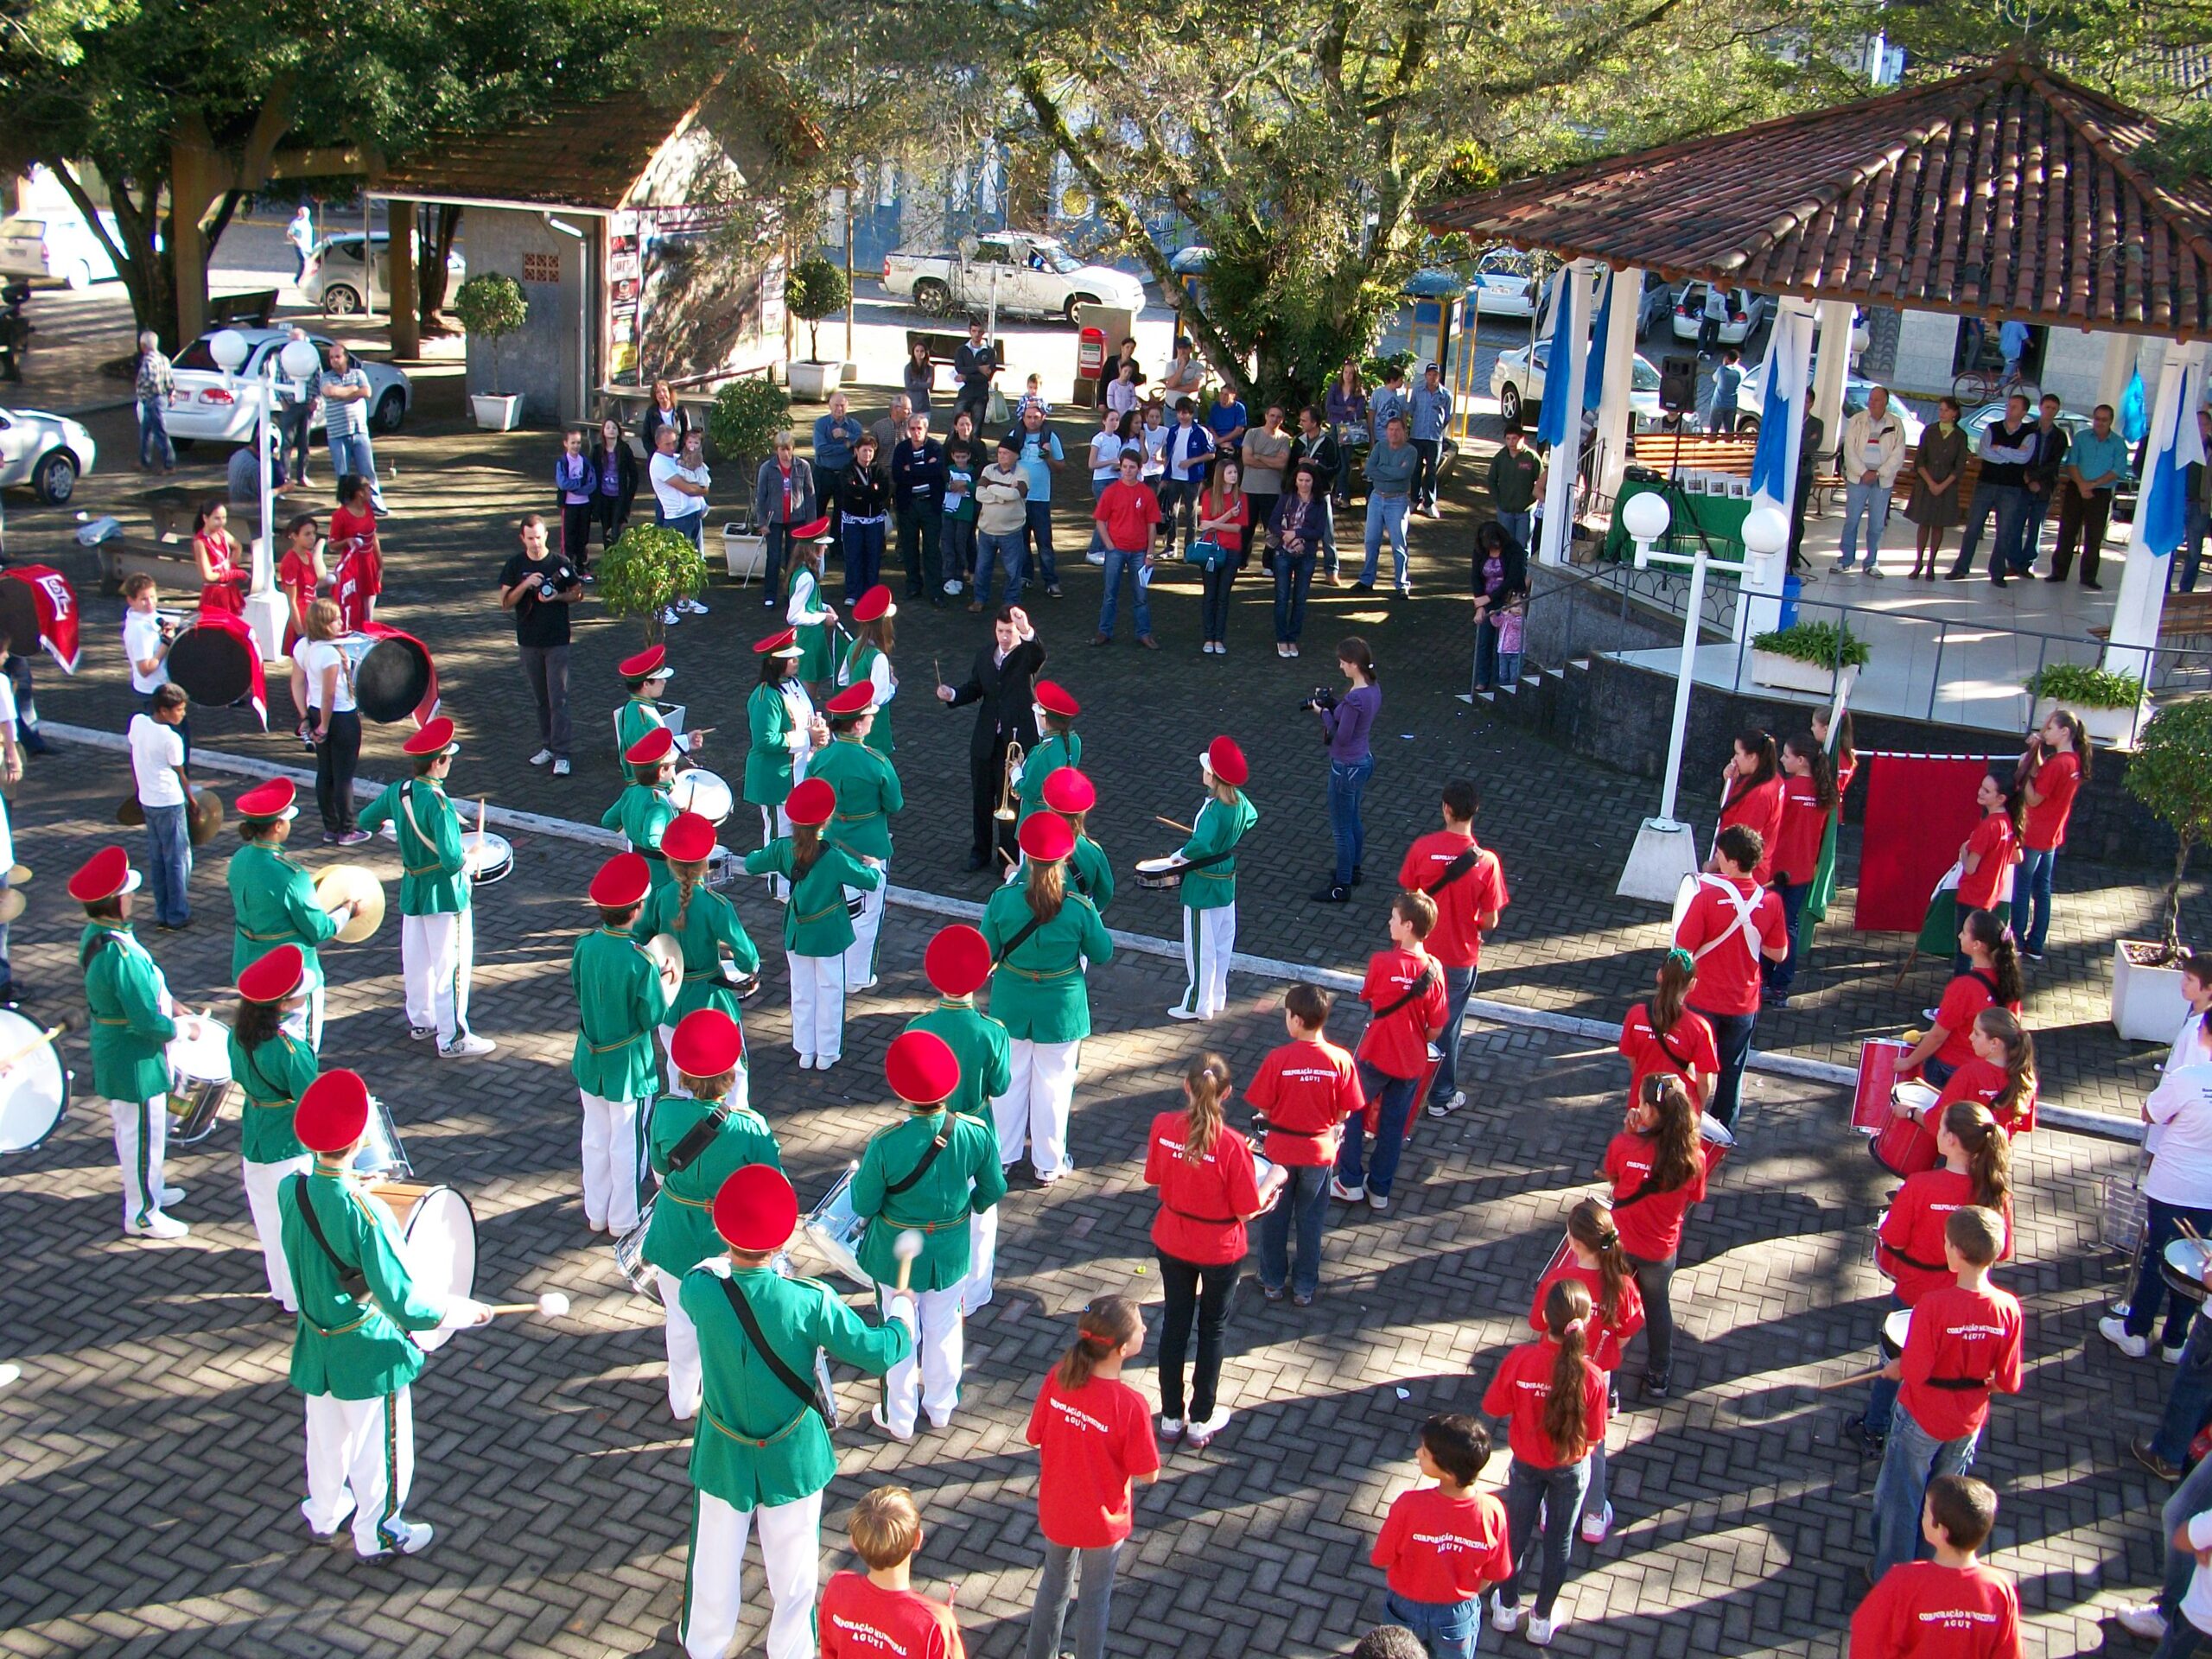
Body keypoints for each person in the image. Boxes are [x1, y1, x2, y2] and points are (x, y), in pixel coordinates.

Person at [678, 1165, 914, 1659]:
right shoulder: (811, 1301)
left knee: (713, 1560)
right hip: (791, 1454)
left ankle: (704, 1644)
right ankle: (790, 1650)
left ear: (724, 1233)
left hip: (724, 1452)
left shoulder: (698, 1289)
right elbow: (879, 1352)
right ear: (782, 1240)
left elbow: (713, 1271)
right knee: (794, 1567)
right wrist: (902, 1312)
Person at [283, 1070, 491, 1561]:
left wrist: (350, 1181)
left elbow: (324, 1198)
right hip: (367, 1349)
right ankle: (381, 1531)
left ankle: (325, 1511)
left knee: (326, 1436)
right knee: (382, 1447)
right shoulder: (368, 1215)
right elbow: (407, 1305)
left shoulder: (290, 1191)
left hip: (318, 1338)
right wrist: (461, 1311)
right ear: (360, 1141)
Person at [854, 1030, 1006, 1441]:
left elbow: (864, 1203)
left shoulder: (886, 1142)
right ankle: (940, 1406)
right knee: (945, 1329)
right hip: (950, 1250)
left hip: (896, 1254)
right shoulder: (974, 1133)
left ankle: (899, 1416)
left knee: (898, 1330)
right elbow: (994, 1189)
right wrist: (965, 1211)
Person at [1847, 1101, 2013, 1454]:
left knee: (1897, 1361)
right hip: (1964, 1296)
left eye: (1940, 1129)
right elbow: (2003, 1248)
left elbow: (1892, 1237)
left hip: (1913, 1293)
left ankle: (1876, 1427)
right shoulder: (1996, 1192)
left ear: (1951, 1140)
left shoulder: (1920, 1185)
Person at [1867, 1205, 2024, 1581]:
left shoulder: (1934, 1306)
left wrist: (1897, 1368)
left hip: (1921, 1416)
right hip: (1967, 1422)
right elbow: (2009, 1382)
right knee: (1942, 1502)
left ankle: (1893, 1577)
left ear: (1954, 1252)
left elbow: (1917, 1372)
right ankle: (1927, 1568)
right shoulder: (2008, 1309)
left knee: (1901, 1499)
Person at [643, 1009, 779, 1420]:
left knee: (680, 1322)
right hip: (730, 1240)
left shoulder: (665, 1112)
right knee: (732, 1324)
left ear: (683, 1073)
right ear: (730, 1076)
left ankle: (682, 1401)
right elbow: (773, 1185)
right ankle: (728, 1400)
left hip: (674, 1233)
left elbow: (661, 1168)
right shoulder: (751, 1127)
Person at [1022, 1295, 1160, 1659]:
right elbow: (1149, 1473)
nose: (1145, 1328)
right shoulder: (1130, 1406)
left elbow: (1033, 1435)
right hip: (1103, 1522)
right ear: (1119, 1348)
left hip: (1057, 1508)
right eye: (1139, 1326)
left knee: (1053, 1585)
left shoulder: (1058, 1376)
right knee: (1095, 1599)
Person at [983, 813, 1114, 1185]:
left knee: (1008, 1083)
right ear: (1063, 859)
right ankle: (1048, 1163)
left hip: (1011, 1001)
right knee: (1054, 1087)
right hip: (1061, 1008)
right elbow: (1102, 952)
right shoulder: (1077, 906)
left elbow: (987, 950)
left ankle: (1004, 1156)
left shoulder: (1003, 900)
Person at [1144, 1051, 1264, 1448]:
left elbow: (1154, 1176)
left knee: (1175, 1324)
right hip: (1220, 1249)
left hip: (1173, 1239)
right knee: (1212, 1329)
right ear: (1227, 1093)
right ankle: (1201, 1419)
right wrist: (1274, 1178)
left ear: (1186, 1087)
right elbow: (1247, 1210)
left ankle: (1170, 1416)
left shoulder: (1162, 1124)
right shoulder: (1233, 1146)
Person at [357, 717, 493, 1057]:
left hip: (413, 887)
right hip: (445, 892)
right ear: (437, 762)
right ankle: (453, 1037)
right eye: (448, 758)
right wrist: (473, 856)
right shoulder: (439, 803)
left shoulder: (398, 791)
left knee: (416, 960)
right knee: (452, 966)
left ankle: (421, 1020)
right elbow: (451, 859)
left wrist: (400, 833)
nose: (450, 763)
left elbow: (365, 821)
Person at [1483, 1278, 1608, 1646]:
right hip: (1569, 1468)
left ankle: (1505, 1607)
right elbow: (1596, 1436)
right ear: (1585, 1323)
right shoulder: (1593, 1378)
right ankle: (1542, 1617)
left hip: (1525, 1464)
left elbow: (1493, 1406)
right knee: (1559, 1540)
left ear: (1543, 1317)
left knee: (1516, 1534)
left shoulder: (1521, 1360)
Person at [72, 846, 186, 1238]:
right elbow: (144, 1019)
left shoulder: (101, 937)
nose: (133, 897)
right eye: (127, 892)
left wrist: (173, 1005)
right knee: (140, 1135)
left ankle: (150, 1190)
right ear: (115, 902)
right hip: (134, 1058)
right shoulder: (119, 954)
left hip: (122, 1051)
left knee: (143, 1132)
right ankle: (142, 1214)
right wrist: (181, 1029)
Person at [906, 925, 1014, 1313]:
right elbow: (1000, 1086)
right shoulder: (992, 1031)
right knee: (981, 1218)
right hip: (976, 1129)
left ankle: (931, 1284)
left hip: (926, 1131)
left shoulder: (917, 1028)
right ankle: (975, 1293)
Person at [744, 779, 882, 1069]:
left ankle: (805, 1049)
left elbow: (752, 863)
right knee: (830, 989)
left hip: (797, 929)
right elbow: (870, 881)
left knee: (802, 989)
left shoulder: (783, 849)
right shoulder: (834, 857)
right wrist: (875, 866)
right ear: (826, 821)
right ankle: (828, 1052)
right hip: (829, 933)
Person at [1530, 1198, 1643, 1545]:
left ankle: (1552, 1509)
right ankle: (1594, 1514)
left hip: (1554, 1372)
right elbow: (1626, 1332)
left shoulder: (1559, 1280)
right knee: (1594, 1443)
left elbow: (1538, 1321)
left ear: (1574, 1243)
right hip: (1598, 1375)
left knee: (1554, 1437)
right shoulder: (1622, 1285)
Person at [569, 852, 671, 1235]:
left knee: (594, 1137)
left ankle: (596, 1212)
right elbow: (652, 1017)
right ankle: (624, 1219)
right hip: (628, 1063)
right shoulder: (640, 961)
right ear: (637, 910)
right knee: (627, 1142)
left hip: (590, 1057)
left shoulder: (585, 945)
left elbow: (578, 987)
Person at [2105, 1014, 2212, 1363]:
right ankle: (2175, 1339)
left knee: (2157, 1256)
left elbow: (2150, 1112)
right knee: (2196, 1262)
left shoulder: (2187, 1079)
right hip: (2208, 1190)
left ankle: (2136, 1332)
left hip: (2172, 1182)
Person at [1333, 891, 1449, 1211]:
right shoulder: (1436, 971)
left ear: (1408, 925)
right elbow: (1437, 1026)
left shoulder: (1381, 963)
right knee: (1394, 1125)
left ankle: (1350, 1180)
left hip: (1376, 1054)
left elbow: (1369, 998)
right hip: (1411, 1061)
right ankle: (1380, 1189)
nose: (1389, 922)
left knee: (1353, 1110)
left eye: (1394, 918)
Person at [1670, 824, 1789, 1133]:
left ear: (1734, 862)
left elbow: (1683, 950)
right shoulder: (1772, 902)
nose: (1717, 861)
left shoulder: (1706, 898)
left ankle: (1679, 1125)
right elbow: (1779, 954)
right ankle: (1722, 1135)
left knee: (1686, 1067)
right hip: (1743, 1003)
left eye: (1721, 856)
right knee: (1732, 1072)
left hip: (1701, 1000)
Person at [1249, 984, 1363, 1306]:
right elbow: (1346, 1110)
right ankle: (1304, 1287)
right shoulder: (1341, 1060)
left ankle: (1271, 1280)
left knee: (1274, 1218)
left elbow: (1265, 1110)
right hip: (1318, 1153)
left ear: (1297, 1020)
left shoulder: (1278, 1059)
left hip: (1281, 1153)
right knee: (1311, 1221)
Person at [1402, 779, 1508, 1118]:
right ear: (1474, 811)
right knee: (1447, 1027)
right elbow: (1490, 921)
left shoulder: (1422, 847)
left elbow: (1409, 897)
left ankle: (1404, 1087)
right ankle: (1441, 1095)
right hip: (1460, 959)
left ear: (1446, 809)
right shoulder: (1487, 863)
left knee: (1412, 1019)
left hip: (1419, 953)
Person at [637, 813, 761, 1096]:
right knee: (733, 1073)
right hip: (711, 1002)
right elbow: (746, 955)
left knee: (678, 1070)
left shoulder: (659, 897)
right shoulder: (715, 904)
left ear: (669, 861)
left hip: (671, 999)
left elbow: (642, 936)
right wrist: (747, 967)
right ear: (705, 863)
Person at [1371, 1418, 1512, 1659]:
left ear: (1447, 1470)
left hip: (1405, 1606)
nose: (1417, 1453)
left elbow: (1381, 1557)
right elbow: (1495, 1572)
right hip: (1457, 1613)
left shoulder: (1409, 1505)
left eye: (1424, 1452)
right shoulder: (1492, 1512)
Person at [1605, 1074, 1707, 1401]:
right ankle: (1659, 1376)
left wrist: (1631, 1135)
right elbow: (1697, 1194)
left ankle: (1609, 1386)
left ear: (1648, 1111)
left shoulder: (1624, 1144)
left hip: (1620, 1243)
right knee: (1657, 1306)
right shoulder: (1694, 1158)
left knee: (1613, 1308)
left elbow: (1614, 1177)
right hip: (1660, 1249)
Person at [229, 778, 348, 1052]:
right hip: (291, 977)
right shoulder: (290, 874)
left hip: (248, 965)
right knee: (299, 1052)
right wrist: (347, 911)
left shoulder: (239, 859)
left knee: (259, 1046)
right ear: (278, 825)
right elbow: (319, 930)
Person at [229, 944, 314, 1307]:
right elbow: (311, 1099)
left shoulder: (239, 1035)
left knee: (268, 1223)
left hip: (256, 1138)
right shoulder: (290, 1050)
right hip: (289, 1144)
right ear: (281, 1005)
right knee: (297, 1228)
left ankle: (281, 1290)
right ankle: (299, 1298)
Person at [1851, 1475, 2019, 1659]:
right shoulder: (1999, 1589)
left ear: (1942, 1531)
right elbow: (2009, 1653)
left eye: (1925, 1512)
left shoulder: (1901, 1581)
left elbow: (1868, 1640)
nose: (1921, 1516)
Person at [809, 682, 902, 990]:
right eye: (869, 717)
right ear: (859, 724)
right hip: (870, 844)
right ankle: (859, 975)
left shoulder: (821, 759)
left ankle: (836, 969)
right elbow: (895, 804)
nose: (873, 721)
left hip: (832, 842)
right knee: (868, 914)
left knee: (836, 908)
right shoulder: (877, 762)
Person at [941, 605, 1044, 870]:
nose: (1005, 637)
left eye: (1009, 632)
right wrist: (953, 695)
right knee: (982, 798)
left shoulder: (1025, 655)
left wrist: (1027, 629)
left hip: (1016, 741)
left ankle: (1007, 857)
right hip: (986, 739)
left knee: (1009, 801)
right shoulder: (986, 654)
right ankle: (980, 851)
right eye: (1000, 631)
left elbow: (1039, 655)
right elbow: (976, 687)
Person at [818, 1487, 965, 1659]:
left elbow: (829, 1651)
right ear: (917, 1540)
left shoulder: (838, 1587)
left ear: (854, 1543)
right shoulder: (934, 1623)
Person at [1170, 737, 1257, 1021]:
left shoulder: (1212, 810)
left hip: (1203, 880)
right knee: (1222, 941)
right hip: (1225, 875)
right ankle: (1217, 995)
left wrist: (1181, 854)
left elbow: (1200, 845)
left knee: (1199, 945)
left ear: (1213, 777)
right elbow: (1251, 817)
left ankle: (1197, 1003)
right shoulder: (1239, 802)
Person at [1896, 910, 2025, 1089]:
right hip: (1985, 1069)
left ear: (1977, 945)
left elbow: (1938, 1036)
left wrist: (1908, 1062)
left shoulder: (1964, 987)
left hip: (1948, 1068)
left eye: (1964, 932)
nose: (1959, 935)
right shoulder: (2009, 983)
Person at [499, 513, 582, 778]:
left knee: (559, 698)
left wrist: (557, 595)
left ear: (547, 535)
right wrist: (526, 584)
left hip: (557, 639)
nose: (536, 543)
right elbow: (505, 603)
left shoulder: (560, 563)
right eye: (530, 538)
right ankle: (547, 746)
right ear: (522, 538)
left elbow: (578, 593)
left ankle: (562, 753)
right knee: (540, 699)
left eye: (539, 537)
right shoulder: (515, 565)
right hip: (529, 641)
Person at [1763, 733, 1839, 1008]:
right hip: (1804, 871)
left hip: (1776, 869)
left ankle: (1762, 979)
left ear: (1801, 760)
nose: (1782, 760)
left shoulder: (1786, 789)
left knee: (1766, 924)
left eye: (1786, 755)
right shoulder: (1824, 792)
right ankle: (1780, 986)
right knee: (1789, 926)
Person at [2012, 709, 2087, 961]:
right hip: (2052, 835)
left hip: (2035, 834)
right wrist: (2036, 757)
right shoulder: (2073, 761)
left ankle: (2017, 940)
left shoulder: (2058, 764)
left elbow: (2034, 798)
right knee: (2042, 889)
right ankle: (2036, 943)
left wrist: (2023, 771)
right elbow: (2046, 778)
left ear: (2064, 731)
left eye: (2050, 728)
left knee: (2022, 887)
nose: (2045, 732)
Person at [1311, 637, 1381, 903]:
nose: (1340, 666)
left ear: (1354, 664)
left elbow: (1341, 736)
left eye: (1343, 662)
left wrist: (1323, 713)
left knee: (1341, 829)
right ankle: (1353, 870)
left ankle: (1341, 886)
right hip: (1363, 760)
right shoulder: (1373, 689)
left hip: (1345, 767)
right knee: (1353, 819)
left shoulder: (1355, 699)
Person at [1946, 394, 2036, 585]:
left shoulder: (2029, 434)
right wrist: (2009, 454)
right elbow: (1985, 452)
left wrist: (2000, 449)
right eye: (2009, 405)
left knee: (2004, 532)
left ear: (2023, 412)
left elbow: (2023, 458)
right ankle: (1961, 568)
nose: (2009, 409)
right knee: (1972, 528)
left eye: (2015, 407)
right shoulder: (1992, 428)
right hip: (1986, 484)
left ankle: (1997, 573)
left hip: (2011, 489)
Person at [298, 600, 365, 844]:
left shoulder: (306, 647)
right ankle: (347, 830)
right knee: (343, 775)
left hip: (316, 711)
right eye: (336, 619)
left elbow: (300, 683)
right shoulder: (329, 654)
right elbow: (329, 694)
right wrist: (324, 726)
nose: (341, 622)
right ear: (325, 625)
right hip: (340, 717)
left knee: (325, 772)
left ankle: (331, 827)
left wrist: (307, 717)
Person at [128, 683, 193, 930]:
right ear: (164, 711)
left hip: (148, 800)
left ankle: (162, 910)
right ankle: (177, 913)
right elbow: (181, 774)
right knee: (178, 859)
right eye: (179, 709)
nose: (182, 714)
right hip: (169, 802)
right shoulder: (171, 738)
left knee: (157, 859)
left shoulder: (138, 723)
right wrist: (193, 800)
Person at [2050, 400, 2128, 588]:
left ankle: (2088, 577)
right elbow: (2072, 463)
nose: (2099, 423)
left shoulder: (2118, 444)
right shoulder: (2082, 437)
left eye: (2104, 420)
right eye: (2097, 419)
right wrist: (2082, 485)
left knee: (2093, 536)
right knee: (2067, 531)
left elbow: (2117, 470)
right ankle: (2058, 572)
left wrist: (2092, 484)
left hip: (2100, 493)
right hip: (2076, 488)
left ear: (2110, 421)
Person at [1090, 449, 1162, 648]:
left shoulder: (1146, 493)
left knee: (1141, 595)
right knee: (1109, 593)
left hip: (1139, 552)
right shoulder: (1111, 491)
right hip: (1116, 551)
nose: (1128, 471)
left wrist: (1150, 553)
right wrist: (1109, 545)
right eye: (1124, 467)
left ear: (1139, 469)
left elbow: (1151, 525)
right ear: (1120, 467)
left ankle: (1144, 633)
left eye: (1132, 467)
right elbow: (1100, 521)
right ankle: (1104, 631)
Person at [1835, 385, 1908, 575]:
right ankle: (1845, 559)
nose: (1872, 402)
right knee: (1852, 520)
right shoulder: (1857, 421)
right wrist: (1863, 471)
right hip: (1858, 478)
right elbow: (1849, 450)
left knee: (1876, 524)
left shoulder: (1895, 423)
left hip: (1882, 480)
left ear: (1885, 402)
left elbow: (1898, 454)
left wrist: (1879, 472)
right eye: (1871, 399)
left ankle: (1871, 562)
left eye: (1877, 399)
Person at [1028, 766, 1114, 911]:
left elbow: (1023, 886)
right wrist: (1088, 914)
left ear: (1049, 807)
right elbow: (1106, 892)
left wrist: (1012, 874)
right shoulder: (1093, 850)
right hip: (1075, 923)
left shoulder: (1035, 842)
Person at [606, 728, 681, 889]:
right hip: (661, 876)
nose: (675, 769)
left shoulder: (631, 791)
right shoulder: (657, 804)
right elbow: (652, 840)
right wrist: (679, 848)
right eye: (673, 765)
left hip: (636, 864)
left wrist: (633, 834)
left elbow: (608, 821)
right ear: (662, 771)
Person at [1904, 397, 1968, 580]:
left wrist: (1942, 485)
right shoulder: (1930, 431)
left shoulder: (1960, 436)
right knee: (1923, 523)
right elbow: (1920, 460)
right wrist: (1931, 483)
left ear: (1955, 413)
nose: (1942, 413)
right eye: (1940, 410)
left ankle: (1932, 563)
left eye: (1946, 410)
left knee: (1938, 525)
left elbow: (1959, 466)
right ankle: (1919, 562)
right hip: (1927, 482)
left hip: (1946, 485)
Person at [614, 643, 700, 781]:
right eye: (660, 679)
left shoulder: (634, 707)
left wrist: (686, 740)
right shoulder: (643, 720)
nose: (664, 682)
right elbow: (652, 763)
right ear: (646, 684)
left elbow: (655, 745)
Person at [752, 432, 817, 608]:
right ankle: (770, 594)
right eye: (781, 449)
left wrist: (812, 523)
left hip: (797, 518)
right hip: (774, 519)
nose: (785, 453)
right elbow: (761, 496)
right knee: (773, 557)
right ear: (776, 450)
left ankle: (791, 593)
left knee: (793, 557)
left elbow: (810, 495)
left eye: (788, 449)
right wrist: (762, 522)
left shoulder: (803, 467)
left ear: (793, 448)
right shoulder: (767, 468)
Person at [1194, 456, 1249, 654]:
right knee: (1210, 594)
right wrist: (1227, 516)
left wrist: (1214, 524)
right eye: (1230, 473)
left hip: (1232, 550)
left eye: (1235, 472)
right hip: (1212, 550)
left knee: (1223, 596)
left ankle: (1219, 638)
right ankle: (1209, 637)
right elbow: (1204, 525)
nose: (1234, 476)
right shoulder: (1209, 495)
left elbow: (1236, 528)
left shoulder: (1241, 497)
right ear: (1221, 475)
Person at [1009, 403, 1065, 597]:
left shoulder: (1050, 437)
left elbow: (1060, 468)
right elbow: (1003, 462)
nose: (1032, 421)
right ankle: (1026, 576)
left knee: (1044, 542)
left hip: (1041, 498)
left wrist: (1047, 456)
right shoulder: (1014, 436)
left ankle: (1051, 581)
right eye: (1028, 417)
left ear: (1043, 418)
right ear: (1022, 418)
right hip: (1019, 498)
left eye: (1036, 417)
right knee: (1021, 540)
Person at [320, 344, 384, 512]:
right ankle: (346, 507)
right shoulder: (326, 377)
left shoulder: (358, 374)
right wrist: (353, 390)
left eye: (337, 356)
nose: (334, 360)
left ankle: (375, 503)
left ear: (346, 357)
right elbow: (330, 391)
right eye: (331, 357)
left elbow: (366, 392)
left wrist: (345, 392)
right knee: (343, 473)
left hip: (359, 431)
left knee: (367, 470)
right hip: (337, 433)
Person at [838, 584, 899, 756]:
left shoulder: (854, 646)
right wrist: (892, 684)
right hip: (874, 727)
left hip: (854, 722)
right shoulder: (878, 657)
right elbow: (879, 698)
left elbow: (842, 679)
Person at [893, 412, 948, 603]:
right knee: (909, 547)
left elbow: (937, 472)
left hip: (930, 505)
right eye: (913, 428)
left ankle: (935, 591)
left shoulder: (935, 447)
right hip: (908, 506)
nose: (916, 432)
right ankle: (913, 586)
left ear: (926, 430)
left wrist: (913, 469)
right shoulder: (901, 449)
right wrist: (925, 468)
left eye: (920, 429)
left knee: (932, 549)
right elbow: (898, 474)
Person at [1360, 416, 1418, 594]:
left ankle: (1401, 585)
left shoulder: (1411, 451)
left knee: (1398, 544)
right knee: (1371, 541)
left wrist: (1381, 469)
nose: (1393, 433)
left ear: (1404, 432)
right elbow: (1369, 469)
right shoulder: (1380, 446)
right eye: (1390, 429)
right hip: (1376, 498)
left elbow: (1403, 473)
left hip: (1397, 500)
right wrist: (1391, 471)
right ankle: (1366, 580)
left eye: (1397, 430)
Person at [973, 435, 1031, 610]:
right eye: (999, 452)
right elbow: (979, 494)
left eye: (1006, 453)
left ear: (1015, 455)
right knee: (982, 568)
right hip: (986, 530)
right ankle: (979, 599)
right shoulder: (988, 470)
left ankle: (1011, 602)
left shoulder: (1022, 474)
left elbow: (1015, 495)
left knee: (1013, 571)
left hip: (1011, 532)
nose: (1001, 456)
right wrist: (1003, 493)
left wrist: (991, 488)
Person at [1717, 729, 1783, 883]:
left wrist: (1713, 865)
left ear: (1752, 756)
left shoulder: (1759, 794)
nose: (1734, 759)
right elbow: (1727, 805)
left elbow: (1741, 842)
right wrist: (1730, 782)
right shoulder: (1769, 779)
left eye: (1738, 753)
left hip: (1739, 872)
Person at [1469, 520, 1527, 694]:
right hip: (1487, 600)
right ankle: (1482, 679)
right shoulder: (1480, 551)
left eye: (1495, 545)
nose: (1492, 549)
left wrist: (1487, 599)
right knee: (1485, 640)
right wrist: (1480, 604)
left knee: (1505, 641)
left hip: (1509, 598)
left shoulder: (1514, 549)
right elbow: (1476, 578)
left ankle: (1503, 679)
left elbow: (1512, 579)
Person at [1015, 679, 1082, 827]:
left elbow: (1028, 790)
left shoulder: (1042, 753)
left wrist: (1015, 772)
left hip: (1036, 817)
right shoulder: (1075, 740)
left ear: (1046, 718)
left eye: (1039, 716)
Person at [1158, 399, 1216, 559]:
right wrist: (1165, 476)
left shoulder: (1200, 431)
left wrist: (1192, 461)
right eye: (1179, 412)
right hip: (1174, 478)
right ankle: (1171, 546)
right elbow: (1168, 456)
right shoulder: (1173, 431)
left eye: (1185, 412)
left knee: (1191, 515)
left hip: (1192, 479)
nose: (1182, 416)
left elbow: (1211, 454)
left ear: (1191, 413)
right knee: (1171, 513)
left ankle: (1189, 549)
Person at [2019, 391, 2069, 572]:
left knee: (2036, 526)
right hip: (2023, 483)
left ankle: (2027, 563)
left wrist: (2036, 479)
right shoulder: (2027, 429)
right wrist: (2027, 478)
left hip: (2044, 485)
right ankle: (2014, 561)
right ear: (2040, 407)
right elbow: (2020, 455)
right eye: (2047, 407)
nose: (2050, 411)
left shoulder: (2060, 436)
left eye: (2054, 409)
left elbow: (2054, 463)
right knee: (2017, 524)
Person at [838, 432, 891, 603]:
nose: (867, 454)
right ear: (856, 451)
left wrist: (863, 492)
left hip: (874, 521)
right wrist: (870, 490)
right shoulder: (848, 469)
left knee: (873, 557)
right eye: (864, 451)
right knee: (853, 557)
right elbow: (848, 490)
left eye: (870, 451)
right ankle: (852, 593)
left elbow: (884, 492)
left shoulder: (879, 470)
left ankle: (871, 593)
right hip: (853, 521)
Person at [327, 473, 383, 632]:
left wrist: (380, 564)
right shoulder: (340, 515)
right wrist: (347, 541)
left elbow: (373, 537)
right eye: (367, 487)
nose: (371, 491)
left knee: (369, 606)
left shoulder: (368, 509)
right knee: (352, 605)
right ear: (359, 492)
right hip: (352, 566)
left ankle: (368, 630)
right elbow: (332, 545)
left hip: (369, 562)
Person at [785, 529, 838, 696]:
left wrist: (824, 607)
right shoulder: (806, 578)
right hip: (808, 639)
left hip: (812, 636)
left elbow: (808, 602)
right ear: (814, 549)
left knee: (811, 691)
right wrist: (823, 617)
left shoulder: (803, 572)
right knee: (807, 695)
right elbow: (793, 616)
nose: (826, 550)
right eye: (823, 546)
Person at [1242, 405, 1290, 566]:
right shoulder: (1252, 434)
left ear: (1282, 419)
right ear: (1266, 416)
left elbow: (1282, 463)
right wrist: (1271, 461)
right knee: (1246, 528)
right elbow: (1247, 459)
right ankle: (1241, 561)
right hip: (1249, 489)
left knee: (1272, 530)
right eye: (1272, 415)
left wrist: (1260, 456)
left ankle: (1268, 563)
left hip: (1272, 491)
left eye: (1278, 416)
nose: (1274, 419)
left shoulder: (1284, 439)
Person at [813, 392, 865, 541]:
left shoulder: (855, 426)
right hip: (824, 473)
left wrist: (846, 434)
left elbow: (861, 445)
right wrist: (847, 446)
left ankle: (836, 547)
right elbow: (821, 449)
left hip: (844, 475)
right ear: (830, 405)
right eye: (836, 405)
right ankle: (815, 544)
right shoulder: (821, 424)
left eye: (842, 405)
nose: (839, 409)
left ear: (847, 406)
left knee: (841, 512)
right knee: (817, 510)